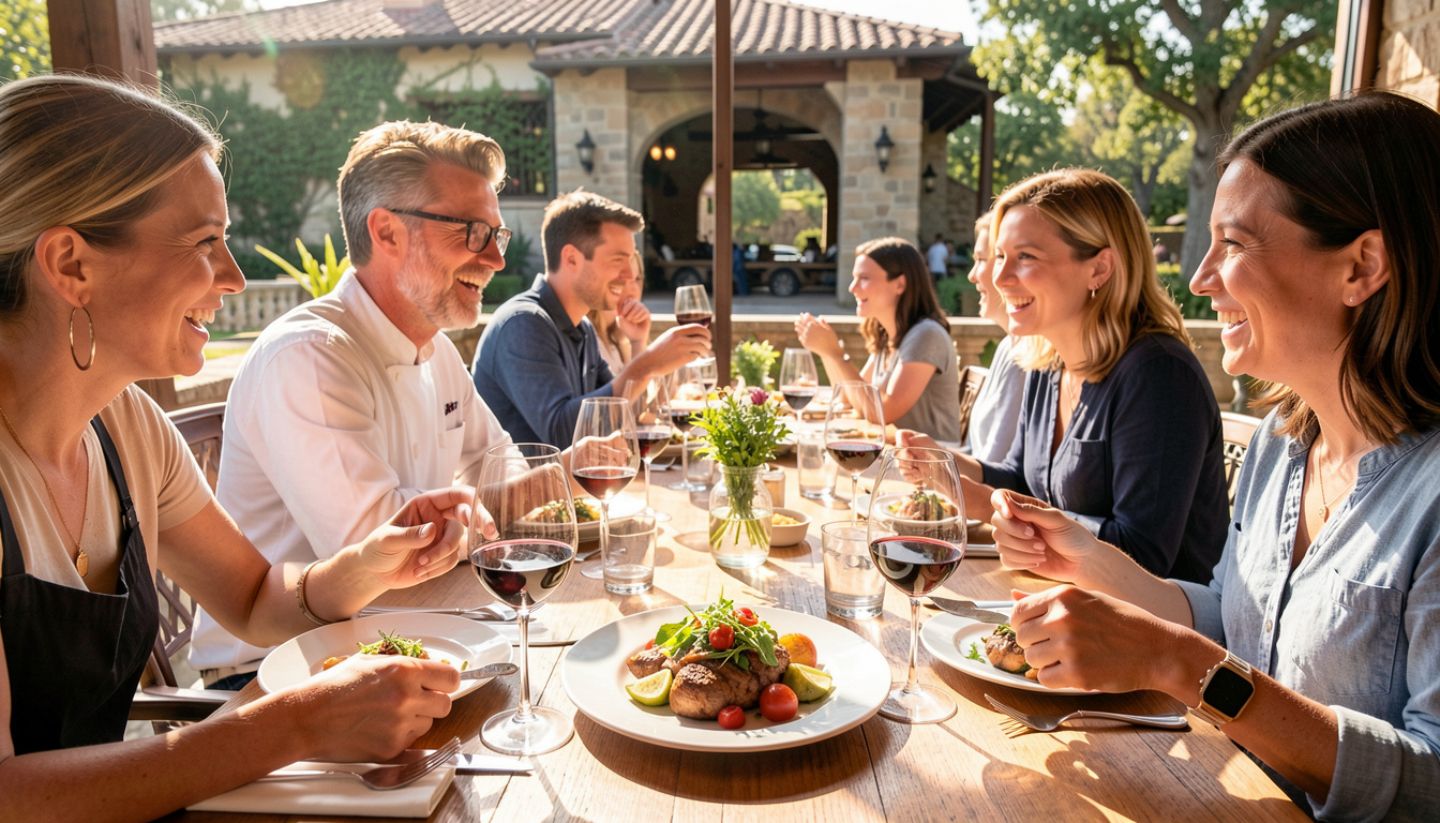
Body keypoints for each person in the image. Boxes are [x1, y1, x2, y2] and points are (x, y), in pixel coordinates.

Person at [0, 74, 469, 819]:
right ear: (71, 265)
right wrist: (297, 722)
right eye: (206, 242)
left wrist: (366, 563)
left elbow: (252, 599)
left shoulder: (128, 428)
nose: (234, 276)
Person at [988, 92, 1440, 820]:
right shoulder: (1281, 446)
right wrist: (1080, 554)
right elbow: (1230, 622)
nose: (1200, 279)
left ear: (1362, 266)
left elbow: (1431, 782)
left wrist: (1180, 665)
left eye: (1232, 243)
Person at [189, 120, 514, 688]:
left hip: (405, 633)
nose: (495, 261)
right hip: (272, 672)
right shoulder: (310, 355)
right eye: (472, 232)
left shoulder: (433, 348)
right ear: (386, 232)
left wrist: (486, 510)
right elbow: (382, 554)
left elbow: (503, 463)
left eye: (496, 236)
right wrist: (488, 513)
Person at [902, 169, 1227, 582]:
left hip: (1150, 633)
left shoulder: (1159, 375)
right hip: (1059, 598)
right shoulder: (1047, 362)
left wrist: (984, 503)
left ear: (1099, 269)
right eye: (1000, 256)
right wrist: (946, 466)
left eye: (1026, 257)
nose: (1000, 278)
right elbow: (1021, 478)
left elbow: (1144, 555)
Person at [472, 191, 710, 447]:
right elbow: (563, 435)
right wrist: (648, 365)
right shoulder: (522, 324)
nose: (630, 275)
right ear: (571, 259)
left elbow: (627, 416)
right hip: (523, 487)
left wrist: (643, 349)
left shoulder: (582, 328)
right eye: (619, 260)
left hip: (570, 488)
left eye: (630, 261)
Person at [796, 237, 961, 442]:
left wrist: (835, 354)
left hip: (933, 465)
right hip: (899, 458)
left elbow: (881, 413)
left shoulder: (926, 335)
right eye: (854, 277)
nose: (852, 287)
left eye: (864, 278)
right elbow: (848, 397)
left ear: (900, 284)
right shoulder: (889, 335)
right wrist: (825, 351)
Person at [961, 212, 1025, 463]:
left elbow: (995, 469)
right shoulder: (1007, 346)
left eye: (980, 260)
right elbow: (977, 454)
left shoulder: (1027, 359)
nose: (972, 275)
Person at [589, 252, 650, 375]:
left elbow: (639, 392)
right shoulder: (590, 340)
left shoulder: (620, 335)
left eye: (637, 279)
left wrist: (638, 342)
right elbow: (629, 391)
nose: (634, 291)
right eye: (623, 280)